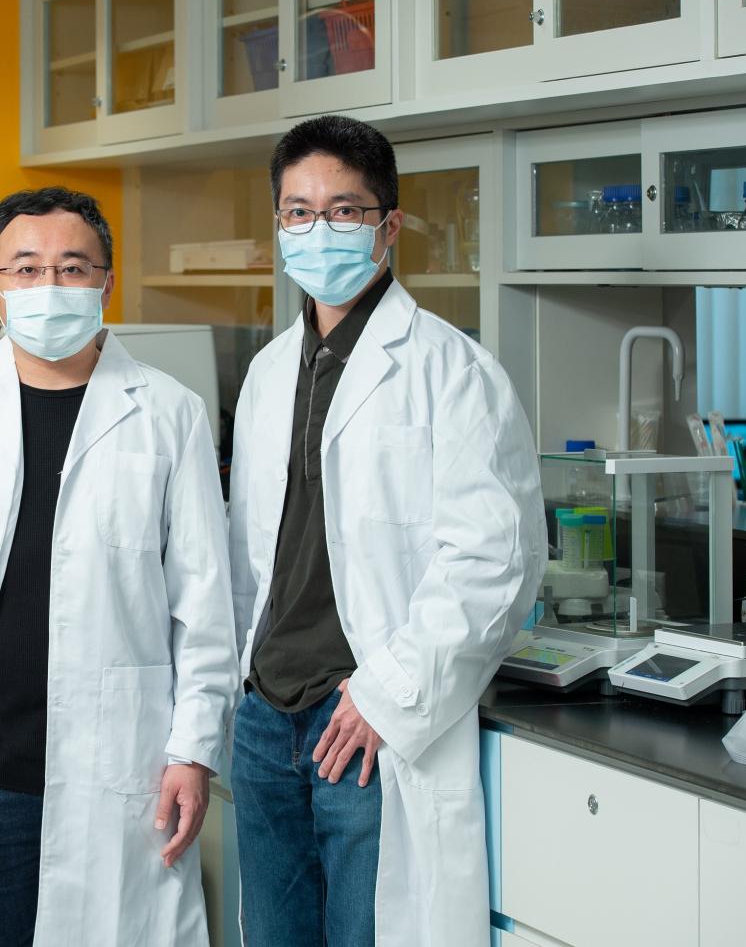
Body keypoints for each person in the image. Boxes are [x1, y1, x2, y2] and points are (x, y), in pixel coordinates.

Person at [0, 187, 238, 946]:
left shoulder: (169, 412)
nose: (49, 287)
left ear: (108, 282)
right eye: (27, 268)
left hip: (124, 765)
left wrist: (194, 750)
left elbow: (204, 603)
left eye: (73, 268)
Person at [227, 116, 547, 947]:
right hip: (265, 720)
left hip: (366, 725)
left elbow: (494, 563)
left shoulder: (452, 371)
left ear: (389, 225)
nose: (317, 229)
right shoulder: (268, 373)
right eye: (298, 212)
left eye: (344, 209)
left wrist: (385, 695)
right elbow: (251, 556)